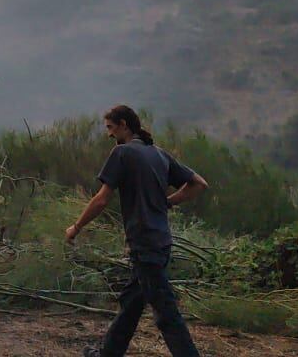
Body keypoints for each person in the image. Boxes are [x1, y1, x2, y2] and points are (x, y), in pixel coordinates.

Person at [65, 104, 210, 357]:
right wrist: (167, 202)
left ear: (124, 125)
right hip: (161, 242)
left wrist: (76, 227)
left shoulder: (122, 153)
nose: (109, 134)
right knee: (131, 304)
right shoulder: (159, 154)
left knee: (166, 313)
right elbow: (198, 184)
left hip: (145, 244)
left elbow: (101, 199)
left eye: (111, 127)